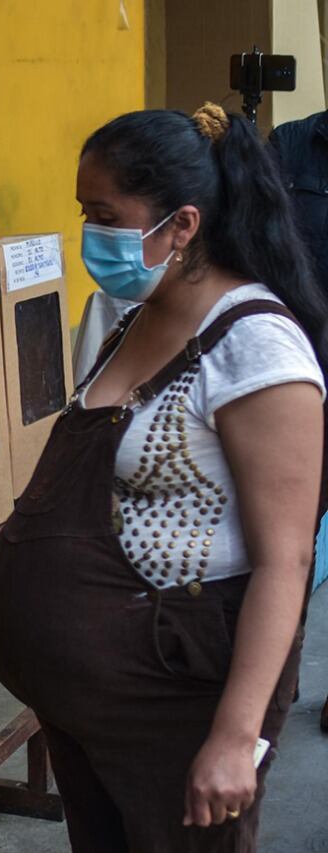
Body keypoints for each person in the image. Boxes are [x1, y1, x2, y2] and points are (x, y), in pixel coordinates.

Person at [0, 104, 327, 853]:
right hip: (89, 706)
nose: (90, 235)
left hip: (179, 701)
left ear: (184, 225)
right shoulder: (131, 313)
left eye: (106, 214)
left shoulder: (255, 346)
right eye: (84, 212)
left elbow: (286, 560)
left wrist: (235, 738)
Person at [269, 110, 328, 735]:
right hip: (300, 379)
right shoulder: (292, 143)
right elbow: (261, 244)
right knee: (287, 543)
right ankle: (272, 694)